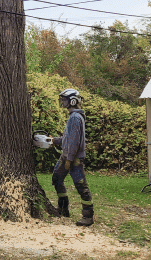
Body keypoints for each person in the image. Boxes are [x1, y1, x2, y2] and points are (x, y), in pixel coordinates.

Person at [50, 88, 94, 227]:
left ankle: (88, 216)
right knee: (57, 178)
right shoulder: (72, 116)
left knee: (81, 186)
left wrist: (69, 160)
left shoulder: (75, 117)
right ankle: (63, 209)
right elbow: (68, 139)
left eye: (64, 100)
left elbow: (74, 142)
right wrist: (54, 140)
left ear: (72, 101)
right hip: (66, 156)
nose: (62, 102)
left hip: (73, 158)